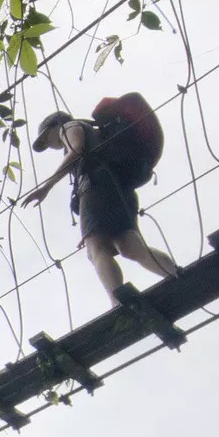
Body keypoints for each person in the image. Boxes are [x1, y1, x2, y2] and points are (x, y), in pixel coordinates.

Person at [23, 102, 181, 299]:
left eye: (46, 138)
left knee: (95, 248)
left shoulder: (68, 127)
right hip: (118, 186)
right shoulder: (96, 133)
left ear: (54, 126)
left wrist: (46, 188)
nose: (48, 145)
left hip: (96, 187)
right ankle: (175, 273)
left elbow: (77, 150)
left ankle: (118, 301)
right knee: (129, 246)